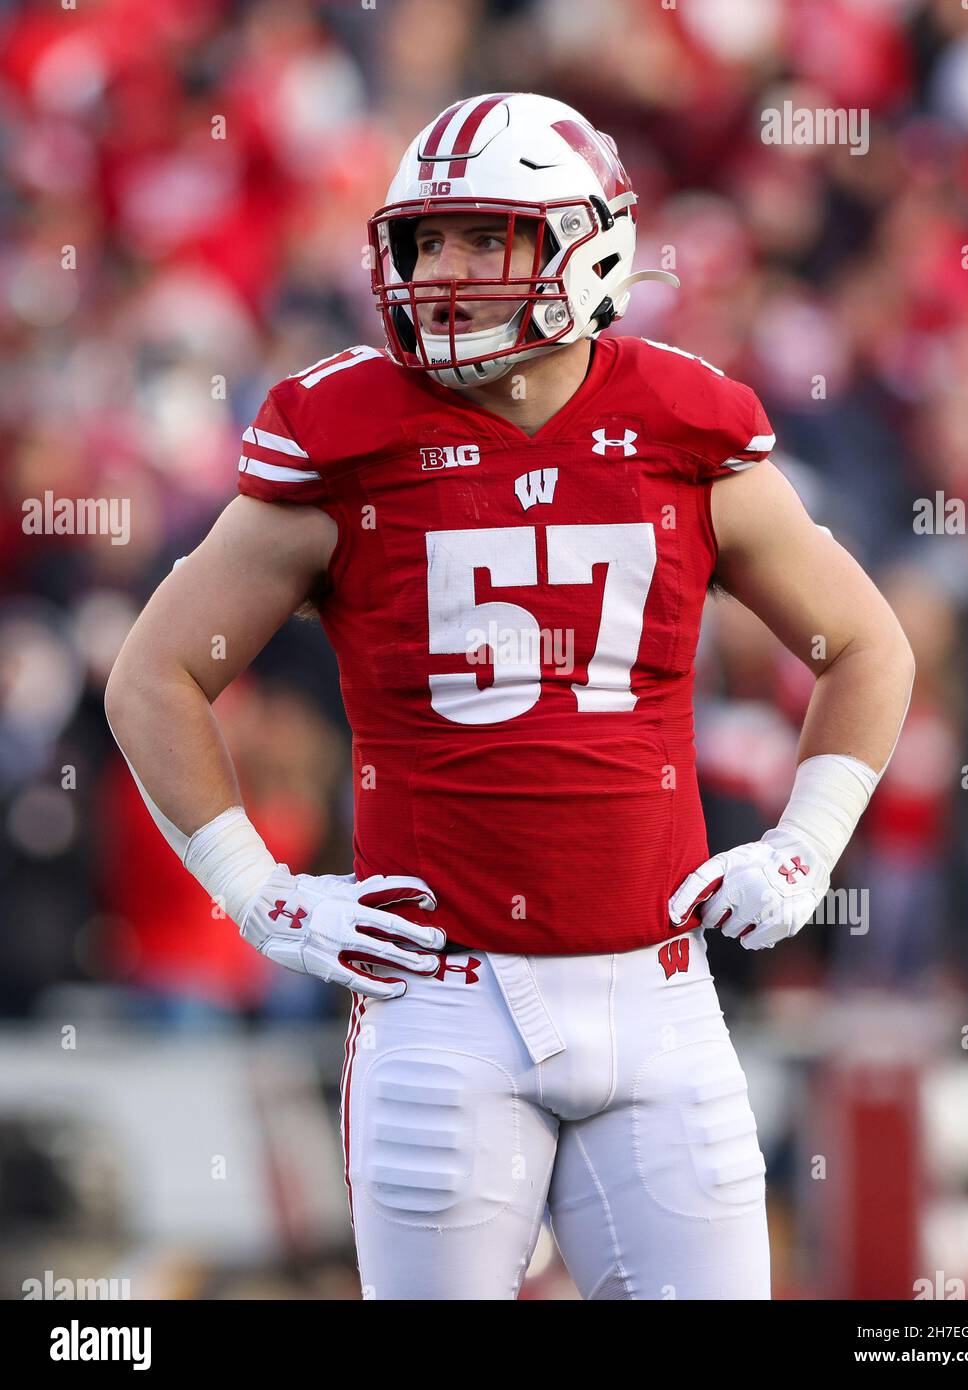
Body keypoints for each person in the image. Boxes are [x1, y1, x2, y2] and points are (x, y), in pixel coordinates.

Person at [105, 92, 915, 1299]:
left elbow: (864, 644)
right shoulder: (346, 438)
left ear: (589, 242)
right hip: (442, 1004)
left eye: (485, 237)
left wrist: (802, 848)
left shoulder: (677, 424)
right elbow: (155, 673)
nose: (446, 272)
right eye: (426, 241)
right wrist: (257, 893)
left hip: (661, 996)